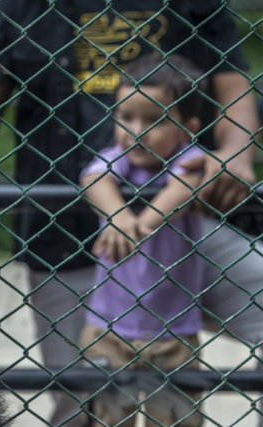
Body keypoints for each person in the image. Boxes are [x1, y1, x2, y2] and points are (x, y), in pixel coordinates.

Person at [0, 1, 262, 425]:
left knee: (174, 400)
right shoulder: (22, 6)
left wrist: (236, 153)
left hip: (188, 226)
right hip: (67, 230)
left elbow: (233, 85)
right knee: (79, 402)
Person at [79, 55, 207, 427]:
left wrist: (141, 224)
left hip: (174, 332)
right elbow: (93, 179)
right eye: (126, 117)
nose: (136, 131)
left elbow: (188, 185)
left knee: (174, 419)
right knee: (106, 418)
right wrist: (119, 218)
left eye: (155, 120)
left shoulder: (188, 159)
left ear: (188, 128)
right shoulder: (117, 159)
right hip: (108, 329)